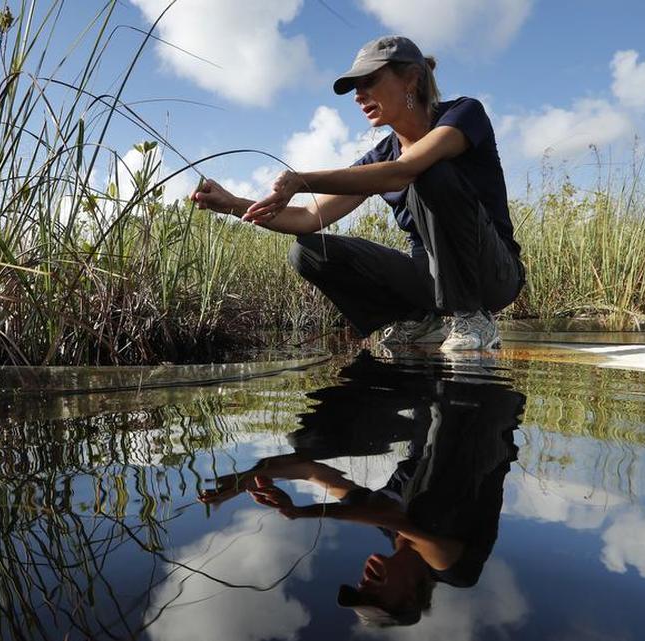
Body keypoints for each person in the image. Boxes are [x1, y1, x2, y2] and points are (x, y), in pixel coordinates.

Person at [190, 36, 525, 351]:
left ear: (411, 79)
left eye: (369, 82)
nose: (358, 95)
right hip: (429, 281)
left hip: (492, 275)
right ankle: (419, 320)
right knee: (308, 251)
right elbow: (307, 217)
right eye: (355, 87)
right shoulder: (380, 156)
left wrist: (301, 180)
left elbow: (404, 172)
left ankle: (473, 318)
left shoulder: (464, 114)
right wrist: (232, 204)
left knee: (429, 173)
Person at [200, 353, 524, 626]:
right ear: (410, 596)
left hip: (433, 408)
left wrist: (243, 481)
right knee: (422, 513)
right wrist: (304, 512)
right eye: (374, 595)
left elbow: (312, 471)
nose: (363, 583)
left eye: (359, 589)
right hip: (486, 416)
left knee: (310, 444)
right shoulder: (457, 573)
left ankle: (395, 353)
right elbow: (402, 525)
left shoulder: (382, 518)